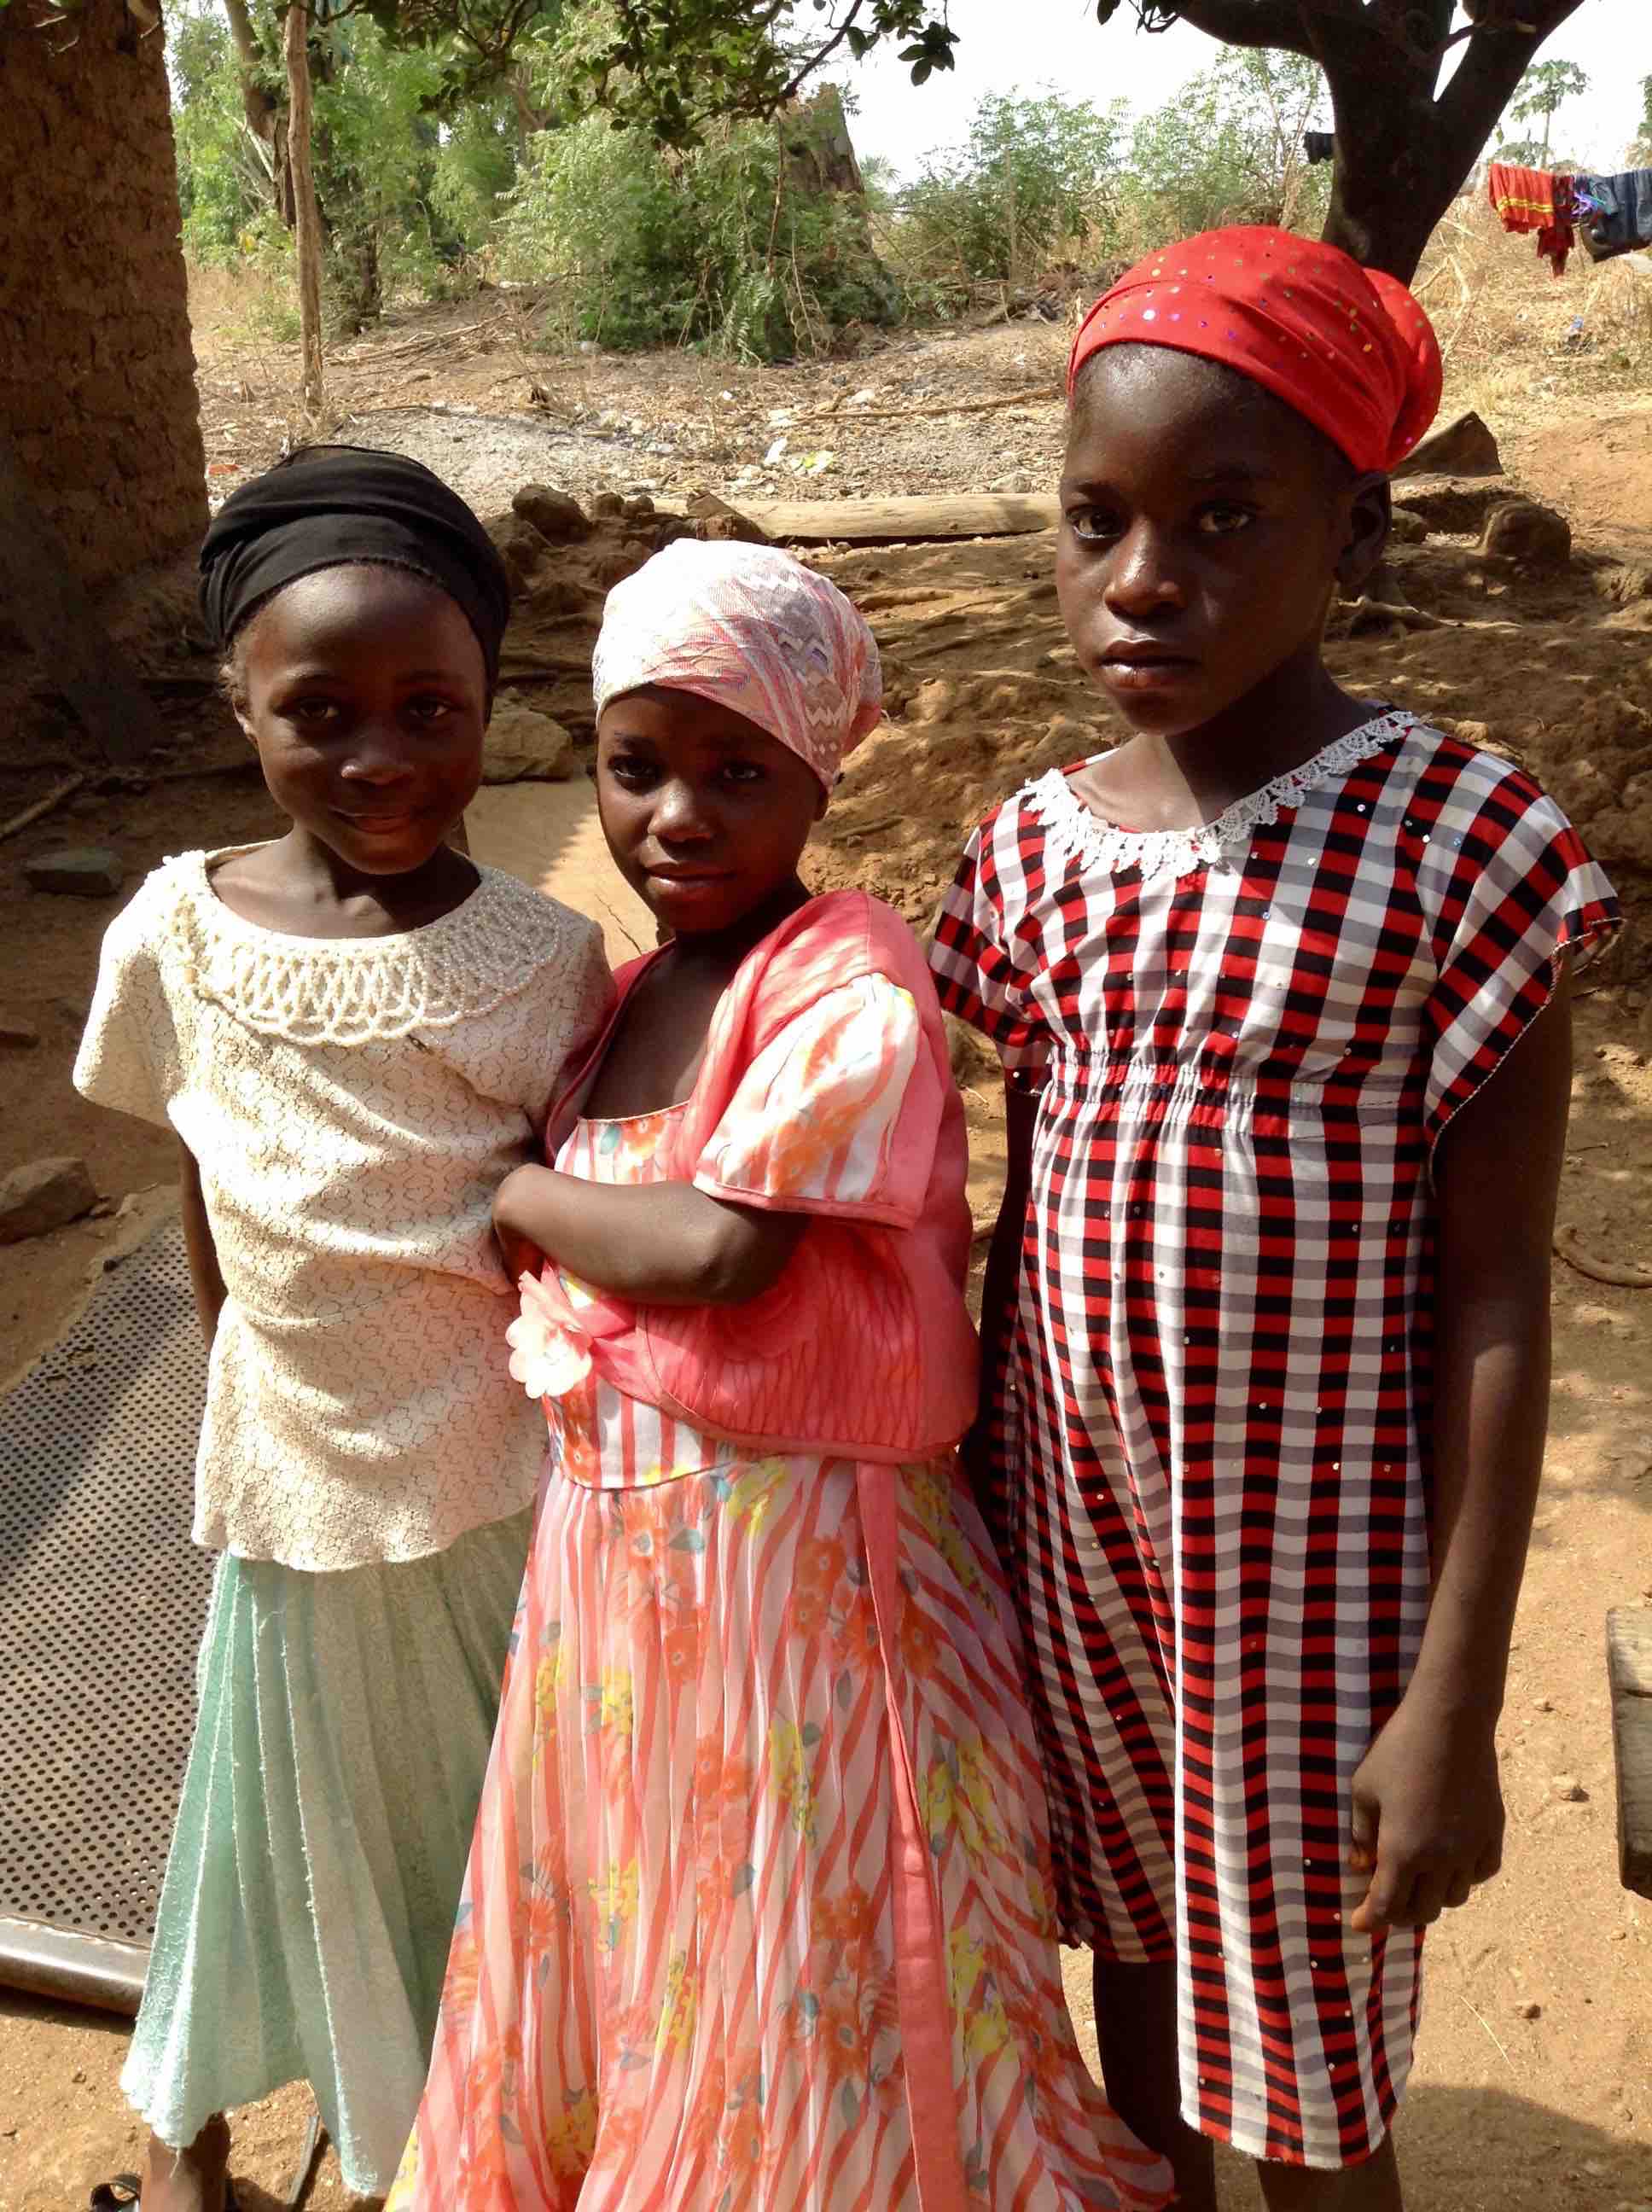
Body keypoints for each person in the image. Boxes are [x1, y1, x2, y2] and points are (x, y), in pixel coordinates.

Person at [928, 227, 1620, 2212]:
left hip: (1309, 1594)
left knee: (1308, 2082)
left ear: (1354, 534)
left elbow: (1492, 1290)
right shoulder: (1032, 849)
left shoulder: (1451, 837)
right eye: (1096, 519)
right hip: (1076, 1562)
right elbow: (1021, 1208)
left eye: (1222, 517)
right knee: (1132, 1992)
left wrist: (1454, 1696)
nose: (1144, 579)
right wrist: (980, 1508)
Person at [387, 539, 1172, 2212]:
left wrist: (502, 1193)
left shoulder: (847, 978)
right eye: (635, 766)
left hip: (813, 1583)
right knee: (671, 1937)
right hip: (622, 1583)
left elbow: (716, 1252)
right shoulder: (611, 1009)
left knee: (814, 1956)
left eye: (735, 770)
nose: (677, 812)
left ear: (815, 774)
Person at [73, 447, 613, 2212]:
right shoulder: (174, 931)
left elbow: (564, 1228)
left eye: (429, 707)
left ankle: (484, 2139)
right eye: (321, 709)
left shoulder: (542, 962)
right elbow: (201, 1186)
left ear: (488, 709)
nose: (381, 757)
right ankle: (191, 2137)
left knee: (496, 1822)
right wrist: (249, 1377)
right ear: (239, 700)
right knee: (268, 1811)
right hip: (291, 1483)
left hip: (493, 1482)